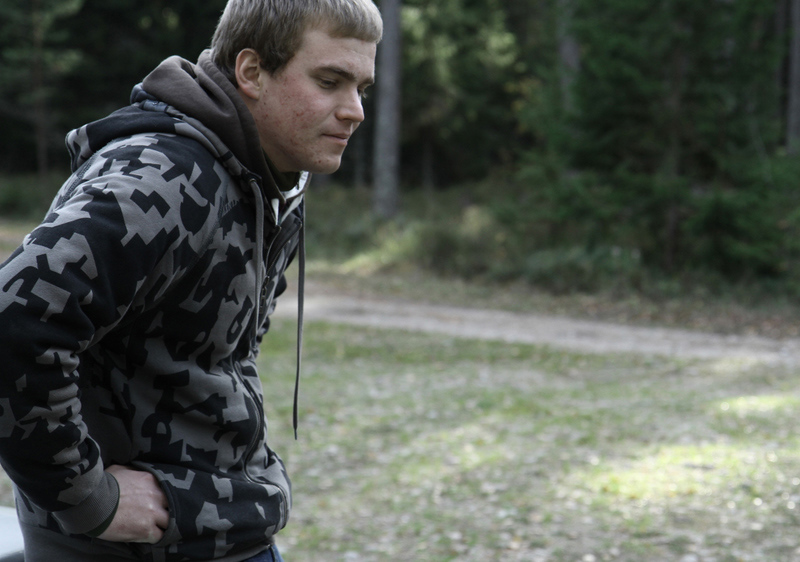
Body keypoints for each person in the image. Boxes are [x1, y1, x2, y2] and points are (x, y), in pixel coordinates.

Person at [0, 1, 382, 560]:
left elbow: (222, 353)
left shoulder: (266, 180)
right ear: (252, 72)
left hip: (220, 524)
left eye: (362, 89)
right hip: (136, 545)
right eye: (329, 81)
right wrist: (86, 497)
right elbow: (15, 319)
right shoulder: (164, 176)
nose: (354, 111)